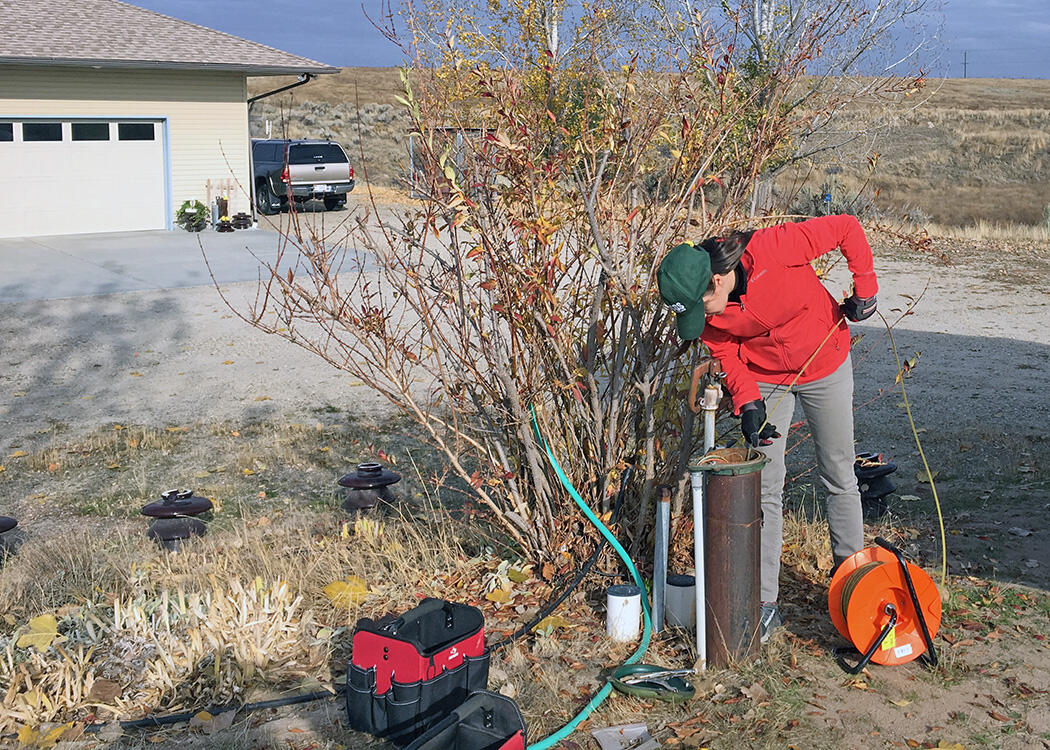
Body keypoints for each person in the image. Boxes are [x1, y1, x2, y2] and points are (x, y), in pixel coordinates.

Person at [656, 214, 878, 642]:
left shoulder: (774, 249)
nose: (702, 320)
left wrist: (865, 289)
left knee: (838, 473)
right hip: (766, 376)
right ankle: (763, 605)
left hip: (824, 362)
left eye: (701, 307)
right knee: (766, 487)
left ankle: (853, 585)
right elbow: (726, 351)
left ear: (718, 281)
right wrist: (748, 401)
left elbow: (848, 227)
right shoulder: (707, 315)